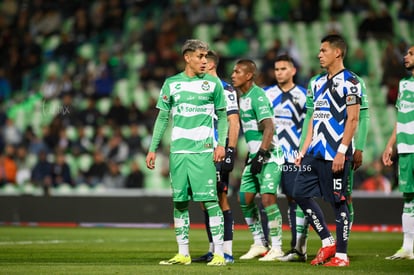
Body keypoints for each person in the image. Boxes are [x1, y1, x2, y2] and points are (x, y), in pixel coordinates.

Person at [145, 39, 228, 266]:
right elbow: (162, 118)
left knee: (211, 201)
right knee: (179, 203)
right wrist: (153, 149)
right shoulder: (172, 84)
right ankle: (183, 253)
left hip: (203, 152)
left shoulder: (213, 84)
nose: (204, 61)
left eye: (206, 57)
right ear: (187, 57)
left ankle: (219, 254)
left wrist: (221, 145)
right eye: (200, 57)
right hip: (178, 152)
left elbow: (222, 116)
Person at [293, 34, 361, 267]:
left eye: (323, 50)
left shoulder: (351, 82)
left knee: (339, 202)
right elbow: (313, 118)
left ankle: (341, 256)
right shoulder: (316, 82)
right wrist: (303, 150)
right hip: (315, 152)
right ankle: (327, 241)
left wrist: (343, 151)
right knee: (299, 192)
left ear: (338, 53)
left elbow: (353, 120)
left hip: (336, 152)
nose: (319, 54)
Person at [231, 59, 285, 261]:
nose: (233, 75)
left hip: (270, 155)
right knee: (244, 198)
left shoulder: (257, 96)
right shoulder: (242, 97)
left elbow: (269, 127)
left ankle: (277, 247)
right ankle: (260, 243)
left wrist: (262, 154)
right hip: (255, 156)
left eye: (237, 72)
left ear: (248, 75)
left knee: (267, 198)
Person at [192, 50, 240, 264]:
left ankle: (226, 251)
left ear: (210, 65)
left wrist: (230, 150)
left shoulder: (225, 89)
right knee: (204, 201)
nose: (199, 63)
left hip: (218, 151)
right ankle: (213, 249)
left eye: (202, 60)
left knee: (220, 200)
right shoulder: (199, 89)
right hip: (201, 151)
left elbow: (233, 121)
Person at [263, 54, 308, 262]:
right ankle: (272, 246)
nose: (279, 72)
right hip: (271, 155)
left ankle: (298, 246)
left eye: (283, 69)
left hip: (292, 155)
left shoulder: (304, 95)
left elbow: (310, 125)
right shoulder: (266, 94)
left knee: (294, 198)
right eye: (277, 69)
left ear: (293, 71)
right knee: (267, 197)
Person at [382, 45, 414, 260]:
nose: (406, 56)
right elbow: (400, 117)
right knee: (409, 197)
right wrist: (390, 145)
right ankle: (407, 248)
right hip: (405, 147)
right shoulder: (404, 84)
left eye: (411, 53)